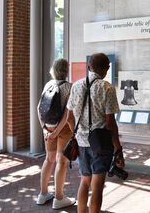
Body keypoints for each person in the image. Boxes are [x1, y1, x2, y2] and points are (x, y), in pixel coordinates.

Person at [67, 53, 125, 213]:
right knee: (97, 187)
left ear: (89, 67)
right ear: (106, 69)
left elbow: (68, 118)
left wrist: (77, 134)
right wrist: (118, 149)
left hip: (81, 143)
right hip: (100, 144)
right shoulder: (106, 88)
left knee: (84, 182)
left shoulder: (76, 85)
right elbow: (111, 123)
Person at [36, 58, 76, 209]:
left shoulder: (48, 85)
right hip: (63, 129)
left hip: (48, 127)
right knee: (61, 161)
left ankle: (43, 194)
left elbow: (39, 108)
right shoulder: (69, 87)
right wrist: (57, 132)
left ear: (53, 69)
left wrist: (46, 129)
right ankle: (59, 198)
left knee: (49, 159)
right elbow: (67, 115)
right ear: (67, 70)